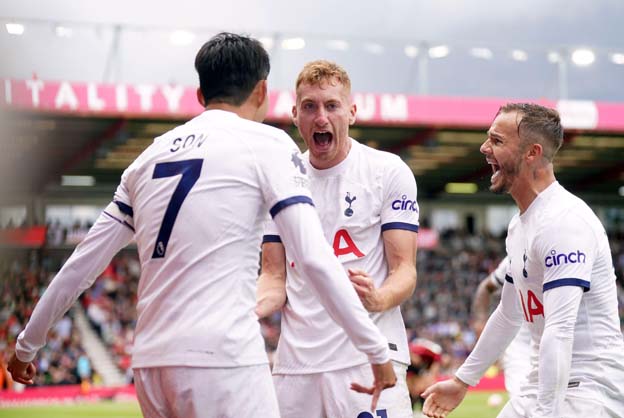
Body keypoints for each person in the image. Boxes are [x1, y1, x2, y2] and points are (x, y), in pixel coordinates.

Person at [7, 33, 397, 418]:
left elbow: (81, 264)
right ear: (262, 91)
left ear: (200, 95)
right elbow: (313, 259)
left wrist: (27, 345)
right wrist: (376, 350)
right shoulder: (268, 145)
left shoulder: (148, 158)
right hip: (222, 360)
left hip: (151, 364)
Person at [422, 103, 624, 418]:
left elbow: (559, 329)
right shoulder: (520, 226)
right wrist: (462, 380)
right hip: (545, 379)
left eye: (497, 141)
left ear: (532, 153)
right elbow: (507, 315)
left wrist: (546, 414)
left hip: (589, 387)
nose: (484, 148)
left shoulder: (564, 223)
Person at [256, 60, 418, 418]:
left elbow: (405, 270)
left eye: (331, 105)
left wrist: (379, 298)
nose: (321, 117)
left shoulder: (387, 172)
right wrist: (243, 310)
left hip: (368, 356)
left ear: (352, 112)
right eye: (310, 107)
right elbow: (273, 277)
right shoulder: (280, 178)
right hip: (296, 367)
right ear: (295, 114)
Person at [471, 255, 531, 397]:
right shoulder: (517, 254)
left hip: (560, 342)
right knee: (522, 404)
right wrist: (480, 321)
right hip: (520, 345)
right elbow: (486, 287)